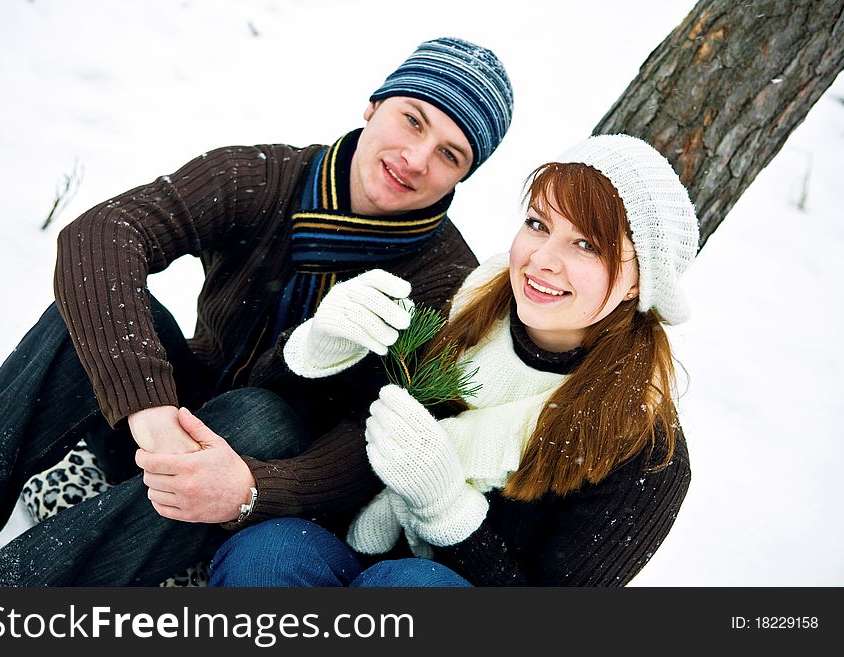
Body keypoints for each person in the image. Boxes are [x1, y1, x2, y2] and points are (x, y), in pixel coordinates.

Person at [0, 36, 514, 586]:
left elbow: (377, 444)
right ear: (373, 106)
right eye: (412, 120)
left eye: (450, 154)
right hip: (170, 426)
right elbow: (104, 234)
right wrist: (150, 408)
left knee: (261, 417)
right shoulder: (266, 178)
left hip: (270, 482)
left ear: (462, 177)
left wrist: (253, 488)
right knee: (81, 320)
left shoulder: (443, 283)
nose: (415, 160)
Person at [205, 133, 699, 587]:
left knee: (411, 586)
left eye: (586, 245)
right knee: (267, 554)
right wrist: (318, 347)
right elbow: (299, 411)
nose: (542, 258)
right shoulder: (459, 308)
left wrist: (450, 514)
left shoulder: (645, 453)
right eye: (537, 224)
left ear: (640, 282)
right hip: (347, 548)